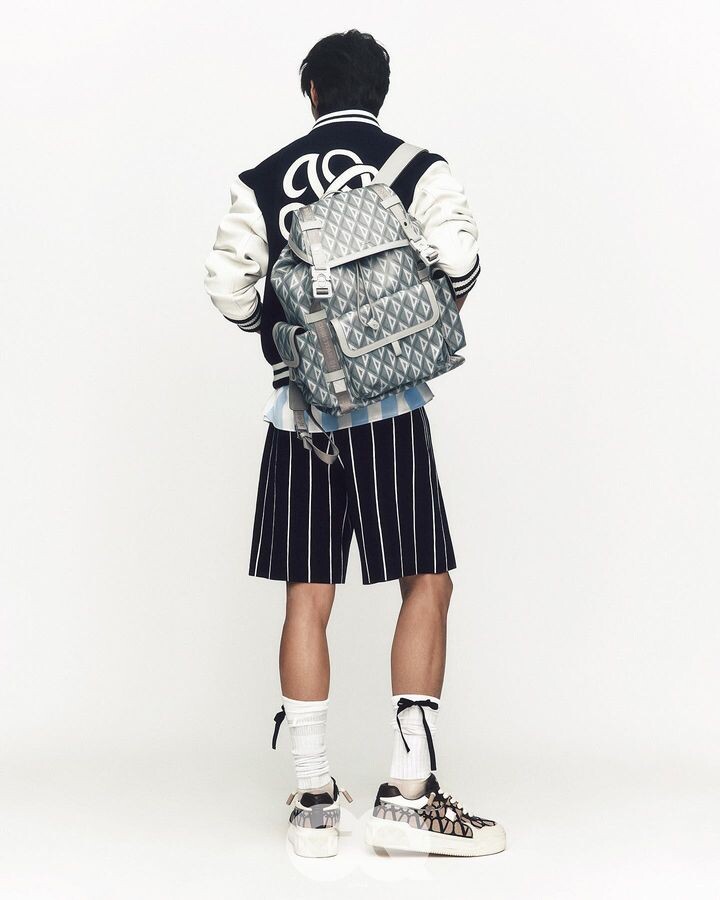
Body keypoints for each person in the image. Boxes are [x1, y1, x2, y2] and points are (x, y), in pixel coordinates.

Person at [204, 29, 505, 859]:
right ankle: (410, 793)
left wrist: (289, 339)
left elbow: (229, 286)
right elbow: (461, 260)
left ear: (311, 91)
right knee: (427, 581)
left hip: (300, 416)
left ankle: (312, 801)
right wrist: (404, 324)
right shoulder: (415, 166)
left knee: (308, 596)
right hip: (392, 409)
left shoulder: (262, 179)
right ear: (379, 92)